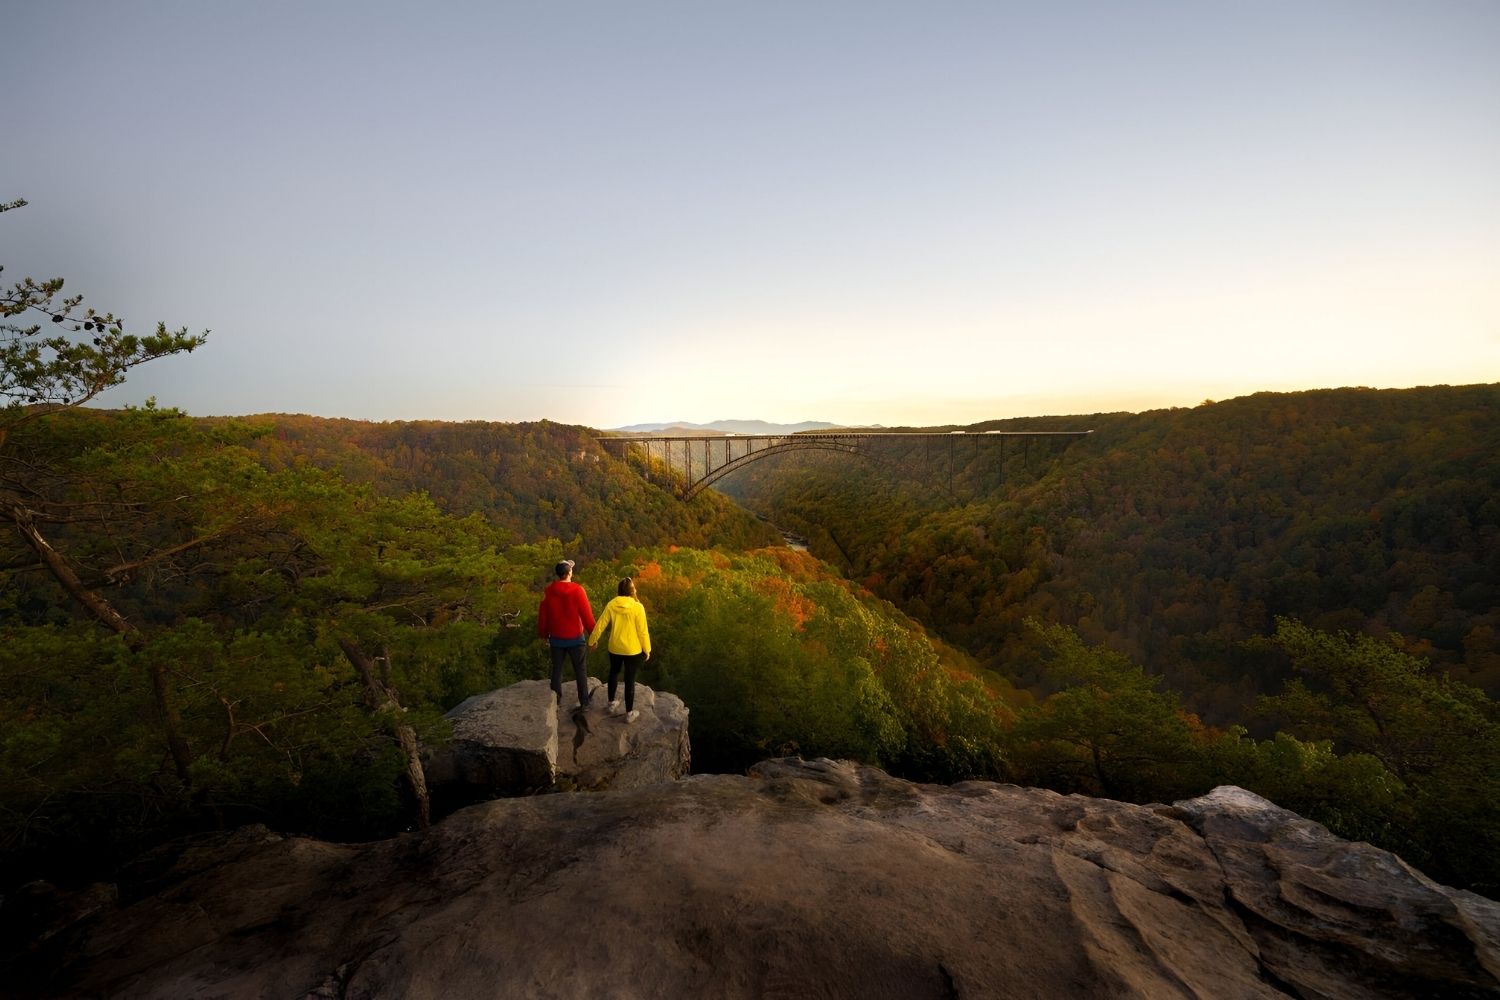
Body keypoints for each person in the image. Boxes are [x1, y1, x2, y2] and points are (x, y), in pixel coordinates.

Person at [589, 576, 651, 724]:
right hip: (633, 650)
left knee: (613, 673)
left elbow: (601, 624)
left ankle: (611, 704)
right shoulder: (638, 607)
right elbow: (643, 631)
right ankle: (629, 713)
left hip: (615, 647)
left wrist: (592, 640)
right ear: (632, 591)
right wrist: (647, 649)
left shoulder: (612, 604)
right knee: (630, 680)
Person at [537, 559, 595, 710]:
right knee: (580, 670)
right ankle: (584, 703)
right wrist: (594, 637)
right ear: (569, 573)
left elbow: (543, 614)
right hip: (575, 638)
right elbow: (587, 615)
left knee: (557, 670)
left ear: (558, 574)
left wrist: (544, 634)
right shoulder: (577, 590)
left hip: (556, 638)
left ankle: (555, 701)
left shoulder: (549, 591)